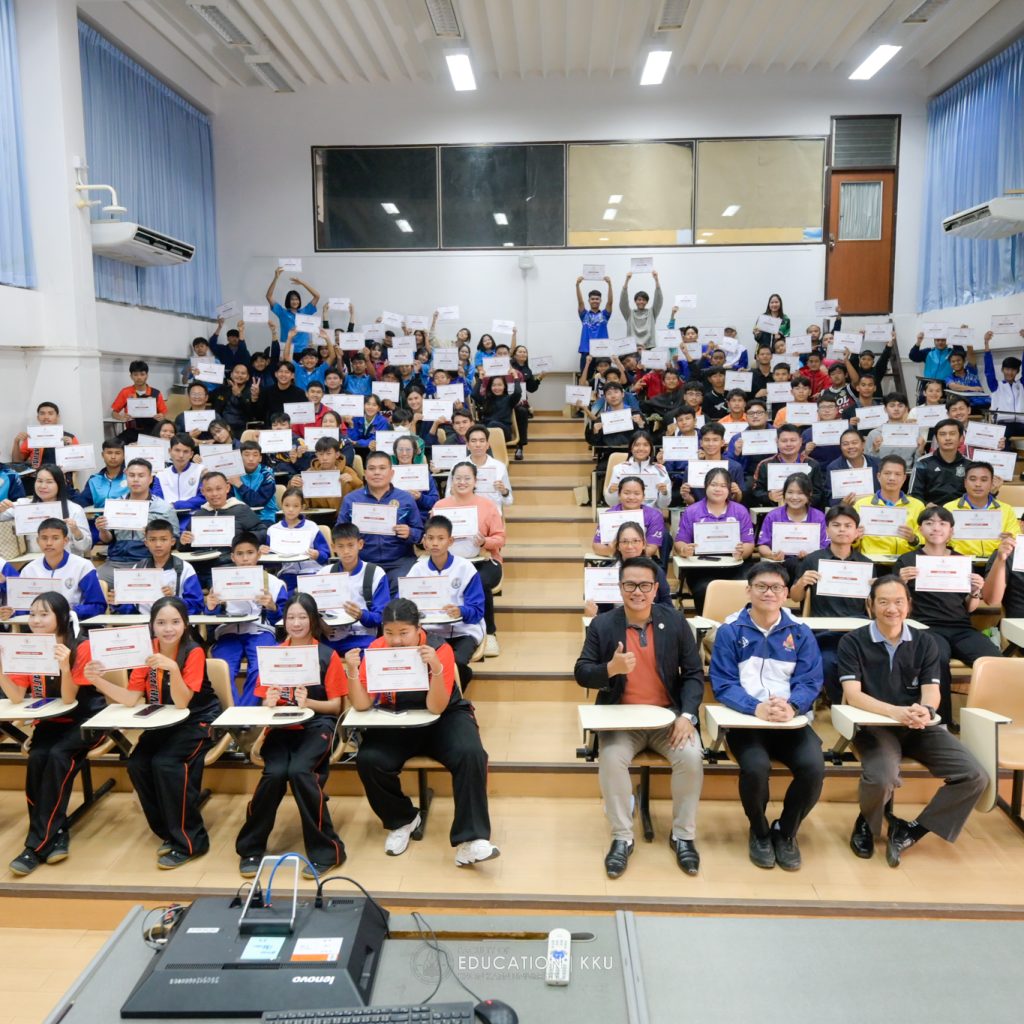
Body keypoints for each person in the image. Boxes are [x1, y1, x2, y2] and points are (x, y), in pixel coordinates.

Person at [837, 575, 987, 866]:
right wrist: (894, 712)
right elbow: (853, 695)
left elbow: (931, 691)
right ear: (870, 605)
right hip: (874, 725)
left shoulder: (925, 641)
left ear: (909, 605)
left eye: (898, 602)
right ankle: (867, 821)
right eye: (883, 602)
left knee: (974, 775)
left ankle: (912, 830)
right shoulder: (852, 641)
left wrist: (926, 711)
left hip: (917, 726)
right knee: (882, 776)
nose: (891, 609)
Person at [574, 556, 705, 878]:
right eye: (630, 585)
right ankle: (622, 837)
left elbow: (693, 674)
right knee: (611, 759)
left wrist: (687, 716)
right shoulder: (603, 625)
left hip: (668, 717)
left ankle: (683, 835)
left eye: (645, 585)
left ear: (655, 588)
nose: (637, 591)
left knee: (691, 757)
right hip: (622, 718)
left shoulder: (675, 621)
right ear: (620, 588)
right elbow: (582, 672)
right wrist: (610, 669)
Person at [345, 598, 499, 866]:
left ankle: (471, 840)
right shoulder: (376, 649)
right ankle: (403, 819)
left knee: (471, 753)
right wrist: (351, 672)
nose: (396, 641)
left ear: (418, 629)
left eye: (404, 633)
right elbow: (361, 704)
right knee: (369, 760)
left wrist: (436, 670)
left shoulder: (439, 649)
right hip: (397, 719)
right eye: (389, 632)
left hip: (444, 717)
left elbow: (436, 706)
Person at [84, 597, 221, 868]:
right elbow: (131, 698)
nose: (168, 628)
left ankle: (192, 841)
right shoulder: (144, 652)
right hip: (163, 720)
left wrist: (173, 669)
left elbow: (182, 702)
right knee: (137, 763)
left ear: (185, 624)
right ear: (152, 625)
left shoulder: (193, 651)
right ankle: (168, 831)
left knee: (166, 764)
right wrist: (96, 680)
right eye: (161, 622)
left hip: (198, 720)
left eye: (175, 622)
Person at [709, 562, 825, 870]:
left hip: (790, 720)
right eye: (761, 586)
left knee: (814, 767)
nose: (768, 593)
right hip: (746, 721)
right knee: (756, 768)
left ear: (786, 594)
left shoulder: (800, 632)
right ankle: (759, 831)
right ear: (748, 590)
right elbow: (723, 683)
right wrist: (754, 707)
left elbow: (810, 680)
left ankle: (785, 832)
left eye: (776, 588)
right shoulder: (730, 631)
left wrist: (793, 706)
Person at [236, 592, 347, 877]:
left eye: (302, 617)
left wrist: (309, 703)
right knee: (273, 775)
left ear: (313, 620)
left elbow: (336, 706)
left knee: (300, 772)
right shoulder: (274, 654)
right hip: (282, 726)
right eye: (291, 617)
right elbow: (264, 700)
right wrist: (270, 701)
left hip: (318, 725)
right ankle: (251, 848)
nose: (296, 623)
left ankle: (327, 850)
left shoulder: (327, 655)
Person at [2, 592, 106, 875]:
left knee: (58, 757)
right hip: (51, 721)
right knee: (38, 758)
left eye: (43, 614)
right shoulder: (28, 647)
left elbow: (70, 698)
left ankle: (34, 846)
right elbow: (16, 697)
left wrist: (64, 666)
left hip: (86, 720)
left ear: (60, 617)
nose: (36, 620)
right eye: (32, 614)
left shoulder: (81, 646)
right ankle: (56, 834)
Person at [895, 505, 999, 723]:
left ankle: (989, 720)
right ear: (920, 529)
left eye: (942, 523)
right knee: (937, 658)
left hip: (961, 627)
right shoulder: (907, 560)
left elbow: (970, 607)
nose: (936, 528)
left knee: (993, 661)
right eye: (929, 523)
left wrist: (975, 591)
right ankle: (940, 722)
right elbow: (895, 602)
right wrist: (900, 582)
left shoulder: (962, 561)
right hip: (925, 627)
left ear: (951, 530)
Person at [789, 504, 873, 701]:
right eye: (836, 525)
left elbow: (873, 607)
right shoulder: (812, 560)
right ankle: (840, 705)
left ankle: (860, 703)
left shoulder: (866, 563)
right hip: (823, 630)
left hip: (857, 630)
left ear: (857, 532)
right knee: (827, 662)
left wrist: (876, 590)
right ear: (827, 530)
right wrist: (802, 582)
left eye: (848, 526)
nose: (842, 530)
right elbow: (795, 597)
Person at [403, 514, 487, 687]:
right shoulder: (417, 570)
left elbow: (478, 610)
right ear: (424, 541)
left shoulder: (465, 568)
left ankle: (450, 699)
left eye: (440, 539)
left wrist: (461, 611)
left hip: (463, 632)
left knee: (456, 664)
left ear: (450, 541)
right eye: (431, 538)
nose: (435, 543)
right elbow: (403, 605)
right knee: (420, 664)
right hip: (430, 632)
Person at [206, 532, 287, 706]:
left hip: (261, 632)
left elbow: (284, 621)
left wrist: (272, 607)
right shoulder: (220, 582)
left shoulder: (274, 583)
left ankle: (246, 713)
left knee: (261, 667)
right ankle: (233, 711)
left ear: (259, 554)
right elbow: (209, 620)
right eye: (240, 554)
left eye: (250, 553)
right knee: (224, 668)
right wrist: (211, 608)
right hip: (228, 632)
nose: (245, 559)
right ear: (232, 557)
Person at [434, 463, 505, 658]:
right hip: (449, 562)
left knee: (479, 582)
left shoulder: (487, 506)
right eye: (458, 478)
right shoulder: (440, 506)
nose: (462, 482)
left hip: (483, 560)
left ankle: (489, 633)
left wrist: (485, 541)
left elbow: (501, 538)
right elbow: (431, 535)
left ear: (475, 481)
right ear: (452, 480)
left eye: (467, 478)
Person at [336, 451, 424, 593]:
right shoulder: (351, 500)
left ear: (391, 473)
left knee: (404, 586)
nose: (377, 472)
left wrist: (410, 532)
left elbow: (420, 533)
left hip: (400, 560)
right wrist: (351, 533)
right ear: (365, 473)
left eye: (382, 468)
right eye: (372, 468)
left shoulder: (405, 499)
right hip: (363, 561)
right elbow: (339, 533)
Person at [673, 467, 755, 613]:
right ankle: (707, 625)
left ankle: (740, 623)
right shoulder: (692, 511)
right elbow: (680, 541)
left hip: (734, 565)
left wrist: (742, 552)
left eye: (723, 486)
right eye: (714, 484)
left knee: (745, 587)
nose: (718, 489)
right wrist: (684, 549)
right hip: (701, 568)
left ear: (729, 489)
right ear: (706, 486)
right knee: (704, 589)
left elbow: (749, 543)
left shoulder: (740, 511)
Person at [94, 459, 180, 586]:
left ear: (150, 479)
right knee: (93, 582)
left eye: (141, 476)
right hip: (116, 562)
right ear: (126, 477)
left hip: (149, 562)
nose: (135, 480)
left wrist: (151, 535)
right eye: (131, 475)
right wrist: (102, 530)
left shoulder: (164, 508)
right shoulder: (115, 505)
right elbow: (107, 539)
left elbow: (174, 542)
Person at [7, 519, 105, 624]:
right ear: (37, 541)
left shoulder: (83, 566)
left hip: (71, 624)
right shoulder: (29, 570)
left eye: (55, 538)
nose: (49, 543)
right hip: (37, 626)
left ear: (65, 541)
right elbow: (21, 608)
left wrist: (70, 611)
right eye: (44, 538)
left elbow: (98, 606)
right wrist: (10, 612)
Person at [314, 523, 390, 656]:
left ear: (360, 544)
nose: (346, 551)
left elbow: (382, 616)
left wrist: (362, 615)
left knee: (369, 659)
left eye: (350, 545)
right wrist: (319, 624)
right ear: (333, 547)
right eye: (340, 546)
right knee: (314, 657)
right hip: (330, 637)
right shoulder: (323, 574)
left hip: (363, 637)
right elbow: (310, 609)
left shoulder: (375, 573)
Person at [179, 471, 266, 584]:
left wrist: (241, 539)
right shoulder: (199, 515)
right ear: (203, 492)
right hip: (199, 568)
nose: (214, 494)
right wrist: (183, 541)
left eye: (219, 488)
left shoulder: (241, 510)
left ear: (227, 488)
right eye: (209, 490)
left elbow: (262, 532)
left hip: (230, 566)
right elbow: (184, 548)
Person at [110, 518, 203, 615]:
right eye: (152, 540)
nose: (158, 544)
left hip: (174, 621)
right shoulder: (138, 568)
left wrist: (174, 599)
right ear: (146, 543)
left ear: (172, 541)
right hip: (145, 622)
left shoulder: (185, 569)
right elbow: (133, 608)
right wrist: (118, 603)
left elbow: (196, 606)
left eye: (163, 539)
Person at [0, 464, 92, 556]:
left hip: (66, 562)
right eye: (39, 481)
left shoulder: (74, 509)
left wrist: (76, 531)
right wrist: (1, 509)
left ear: (60, 484)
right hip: (31, 561)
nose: (43, 486)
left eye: (49, 482)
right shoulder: (23, 505)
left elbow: (85, 547)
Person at [943, 461, 1020, 560]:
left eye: (984, 480)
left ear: (991, 483)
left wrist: (1010, 539)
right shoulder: (949, 509)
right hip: (961, 561)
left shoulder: (1006, 510)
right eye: (973, 479)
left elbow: (1016, 540)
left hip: (996, 561)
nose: (978, 484)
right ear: (965, 483)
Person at [854, 455, 926, 560]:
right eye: (887, 473)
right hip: (872, 561)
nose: (892, 478)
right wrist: (855, 538)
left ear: (904, 478)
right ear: (878, 476)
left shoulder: (918, 506)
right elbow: (851, 543)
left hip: (906, 562)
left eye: (897, 474)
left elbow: (926, 540)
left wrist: (913, 539)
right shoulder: (861, 505)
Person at [262, 487, 330, 591]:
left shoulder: (312, 527)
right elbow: (271, 562)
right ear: (281, 505)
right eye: (287, 505)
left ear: (302, 507)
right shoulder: (273, 530)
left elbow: (325, 555)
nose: (291, 509)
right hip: (288, 574)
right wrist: (263, 554)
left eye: (296, 506)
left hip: (312, 571)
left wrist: (317, 555)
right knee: (286, 596)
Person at [756, 473, 827, 572]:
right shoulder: (773, 516)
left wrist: (811, 555)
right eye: (790, 492)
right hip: (779, 566)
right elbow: (762, 545)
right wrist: (772, 555)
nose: (794, 497)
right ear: (784, 493)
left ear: (810, 494)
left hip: (809, 567)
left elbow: (824, 547)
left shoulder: (819, 517)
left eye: (800, 493)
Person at [442, 424, 514, 514]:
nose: (478, 444)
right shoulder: (457, 467)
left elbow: (509, 501)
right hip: (466, 514)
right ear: (467, 445)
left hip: (491, 514)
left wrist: (504, 491)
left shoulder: (499, 467)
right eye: (473, 441)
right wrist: (454, 491)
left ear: (488, 445)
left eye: (482, 441)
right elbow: (447, 496)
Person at [750, 425, 825, 509]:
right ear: (777, 442)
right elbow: (756, 492)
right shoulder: (765, 465)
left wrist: (804, 500)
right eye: (784, 441)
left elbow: (818, 493)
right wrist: (769, 496)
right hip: (773, 510)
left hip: (805, 510)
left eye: (793, 440)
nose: (788, 444)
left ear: (800, 441)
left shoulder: (812, 464)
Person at [594, 476, 665, 560]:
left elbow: (651, 548)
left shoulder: (654, 515)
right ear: (619, 495)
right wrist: (610, 551)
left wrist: (630, 556)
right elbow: (596, 546)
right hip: (613, 558)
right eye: (626, 493)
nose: (631, 497)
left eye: (637, 493)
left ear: (643, 496)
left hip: (642, 560)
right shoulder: (608, 514)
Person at [603, 431, 671, 509]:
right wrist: (611, 492)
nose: (641, 448)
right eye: (637, 445)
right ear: (631, 448)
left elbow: (663, 505)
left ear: (651, 448)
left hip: (651, 514)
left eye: (645, 445)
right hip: (625, 512)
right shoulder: (619, 469)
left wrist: (664, 493)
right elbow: (612, 503)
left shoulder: (660, 470)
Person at [911, 419, 969, 507]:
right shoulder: (923, 462)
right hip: (930, 511)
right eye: (942, 434)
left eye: (952, 434)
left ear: (961, 438)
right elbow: (914, 494)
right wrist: (925, 505)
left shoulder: (970, 465)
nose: (948, 438)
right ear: (936, 439)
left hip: (960, 510)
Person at [266, 266, 320, 355]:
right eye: (292, 299)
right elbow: (269, 296)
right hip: (287, 350)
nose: (295, 301)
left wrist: (302, 283)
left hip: (303, 351)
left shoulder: (305, 311)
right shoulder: (282, 312)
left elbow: (317, 296)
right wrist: (276, 278)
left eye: (297, 299)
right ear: (288, 301)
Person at [11, 401, 79, 471]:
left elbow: (77, 464)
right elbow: (17, 461)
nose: (46, 417)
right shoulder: (31, 437)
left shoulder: (70, 438)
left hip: (62, 475)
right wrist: (16, 442)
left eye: (50, 413)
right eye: (42, 413)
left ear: (57, 417)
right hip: (37, 475)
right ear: (38, 418)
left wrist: (70, 447)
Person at [981, 331, 1024, 437]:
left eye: (1013, 370)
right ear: (1002, 369)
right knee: (1002, 440)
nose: (1010, 372)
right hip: (1003, 424)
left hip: (1021, 423)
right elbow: (989, 371)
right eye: (1007, 369)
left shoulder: (1021, 385)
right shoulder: (996, 386)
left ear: (1017, 371)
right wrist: (986, 343)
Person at [824, 428, 881, 506]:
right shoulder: (834, 468)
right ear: (840, 447)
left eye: (854, 443)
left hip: (873, 508)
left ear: (863, 444)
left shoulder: (877, 464)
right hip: (846, 509)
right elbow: (831, 498)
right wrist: (842, 504)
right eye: (845, 444)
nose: (850, 446)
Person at [156, 434, 204, 518]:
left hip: (193, 517)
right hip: (166, 517)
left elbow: (203, 497)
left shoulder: (201, 471)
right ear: (170, 451)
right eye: (177, 450)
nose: (181, 455)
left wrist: (176, 505)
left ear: (191, 454)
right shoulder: (161, 474)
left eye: (185, 451)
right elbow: (157, 499)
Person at [576, 275, 613, 371]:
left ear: (600, 300)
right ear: (589, 301)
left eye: (597, 299)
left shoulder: (604, 314)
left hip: (602, 350)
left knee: (604, 376)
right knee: (585, 377)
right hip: (586, 350)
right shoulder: (584, 315)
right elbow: (580, 302)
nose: (595, 301)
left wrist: (609, 284)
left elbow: (610, 302)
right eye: (592, 299)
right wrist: (577, 285)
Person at [620, 271, 663, 350]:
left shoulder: (652, 312)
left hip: (648, 347)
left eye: (644, 300)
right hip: (632, 348)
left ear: (647, 302)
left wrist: (656, 280)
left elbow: (658, 300)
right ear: (635, 301)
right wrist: (627, 280)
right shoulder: (629, 314)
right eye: (639, 299)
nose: (641, 302)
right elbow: (623, 302)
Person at [82, 438, 127, 509]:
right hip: (99, 516)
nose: (113, 457)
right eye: (109, 453)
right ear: (102, 455)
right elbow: (82, 502)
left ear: (124, 455)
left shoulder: (131, 477)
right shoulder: (94, 480)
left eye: (117, 453)